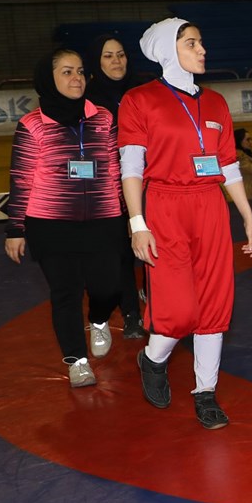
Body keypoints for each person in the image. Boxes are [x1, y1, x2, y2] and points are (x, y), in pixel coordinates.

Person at [117, 18, 252, 430]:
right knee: (179, 311)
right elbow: (131, 166)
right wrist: (138, 223)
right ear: (168, 48)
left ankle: (206, 392)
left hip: (210, 206)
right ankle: (153, 358)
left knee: (214, 304)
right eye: (192, 43)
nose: (202, 50)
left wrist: (248, 217)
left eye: (201, 43)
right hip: (164, 205)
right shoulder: (139, 100)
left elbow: (228, 165)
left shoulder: (215, 103)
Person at [4, 49, 124, 388]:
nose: (77, 78)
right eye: (67, 72)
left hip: (103, 219)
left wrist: (127, 214)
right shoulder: (32, 124)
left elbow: (114, 168)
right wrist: (15, 229)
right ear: (49, 79)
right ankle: (77, 361)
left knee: (109, 287)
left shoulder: (103, 118)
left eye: (81, 71)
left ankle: (98, 319)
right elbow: (21, 178)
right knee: (65, 293)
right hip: (50, 224)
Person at [84, 34, 146, 340]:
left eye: (120, 54)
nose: (116, 61)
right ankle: (132, 314)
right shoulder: (87, 100)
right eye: (108, 56)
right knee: (121, 253)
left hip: (148, 180)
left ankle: (156, 299)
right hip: (109, 187)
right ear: (96, 62)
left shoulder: (144, 90)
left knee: (157, 245)